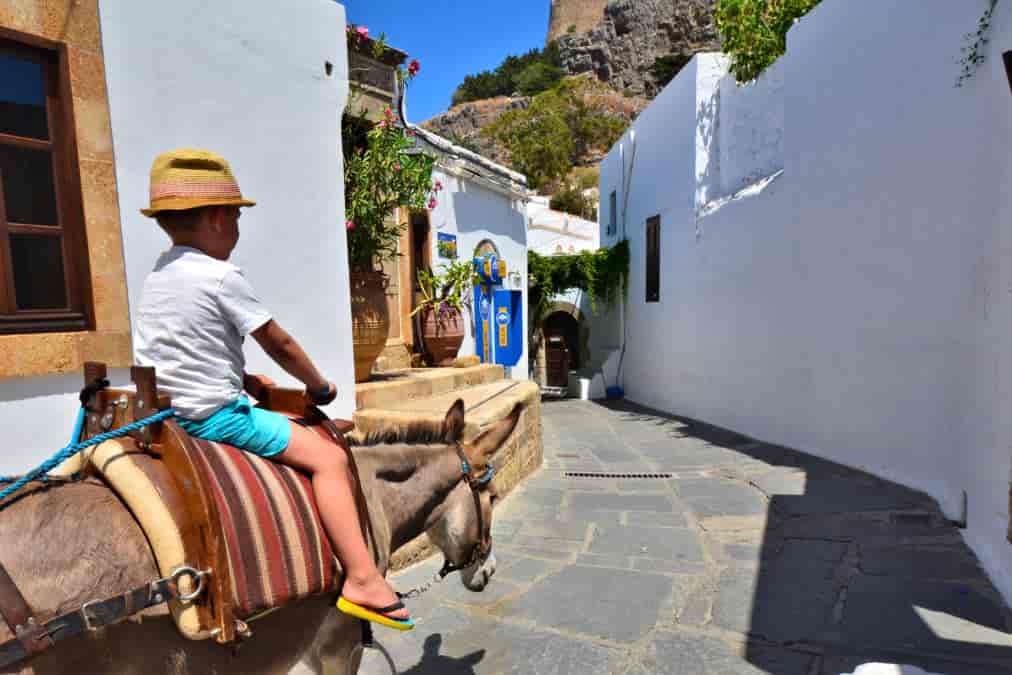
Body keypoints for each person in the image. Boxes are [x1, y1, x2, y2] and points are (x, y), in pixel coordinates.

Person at [134, 148, 412, 630]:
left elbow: (182, 346)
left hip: (164, 411)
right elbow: (277, 342)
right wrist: (318, 384)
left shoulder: (160, 275)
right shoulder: (221, 277)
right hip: (212, 416)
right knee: (330, 458)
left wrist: (241, 377)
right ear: (220, 218)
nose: (238, 228)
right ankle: (364, 578)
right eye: (237, 217)